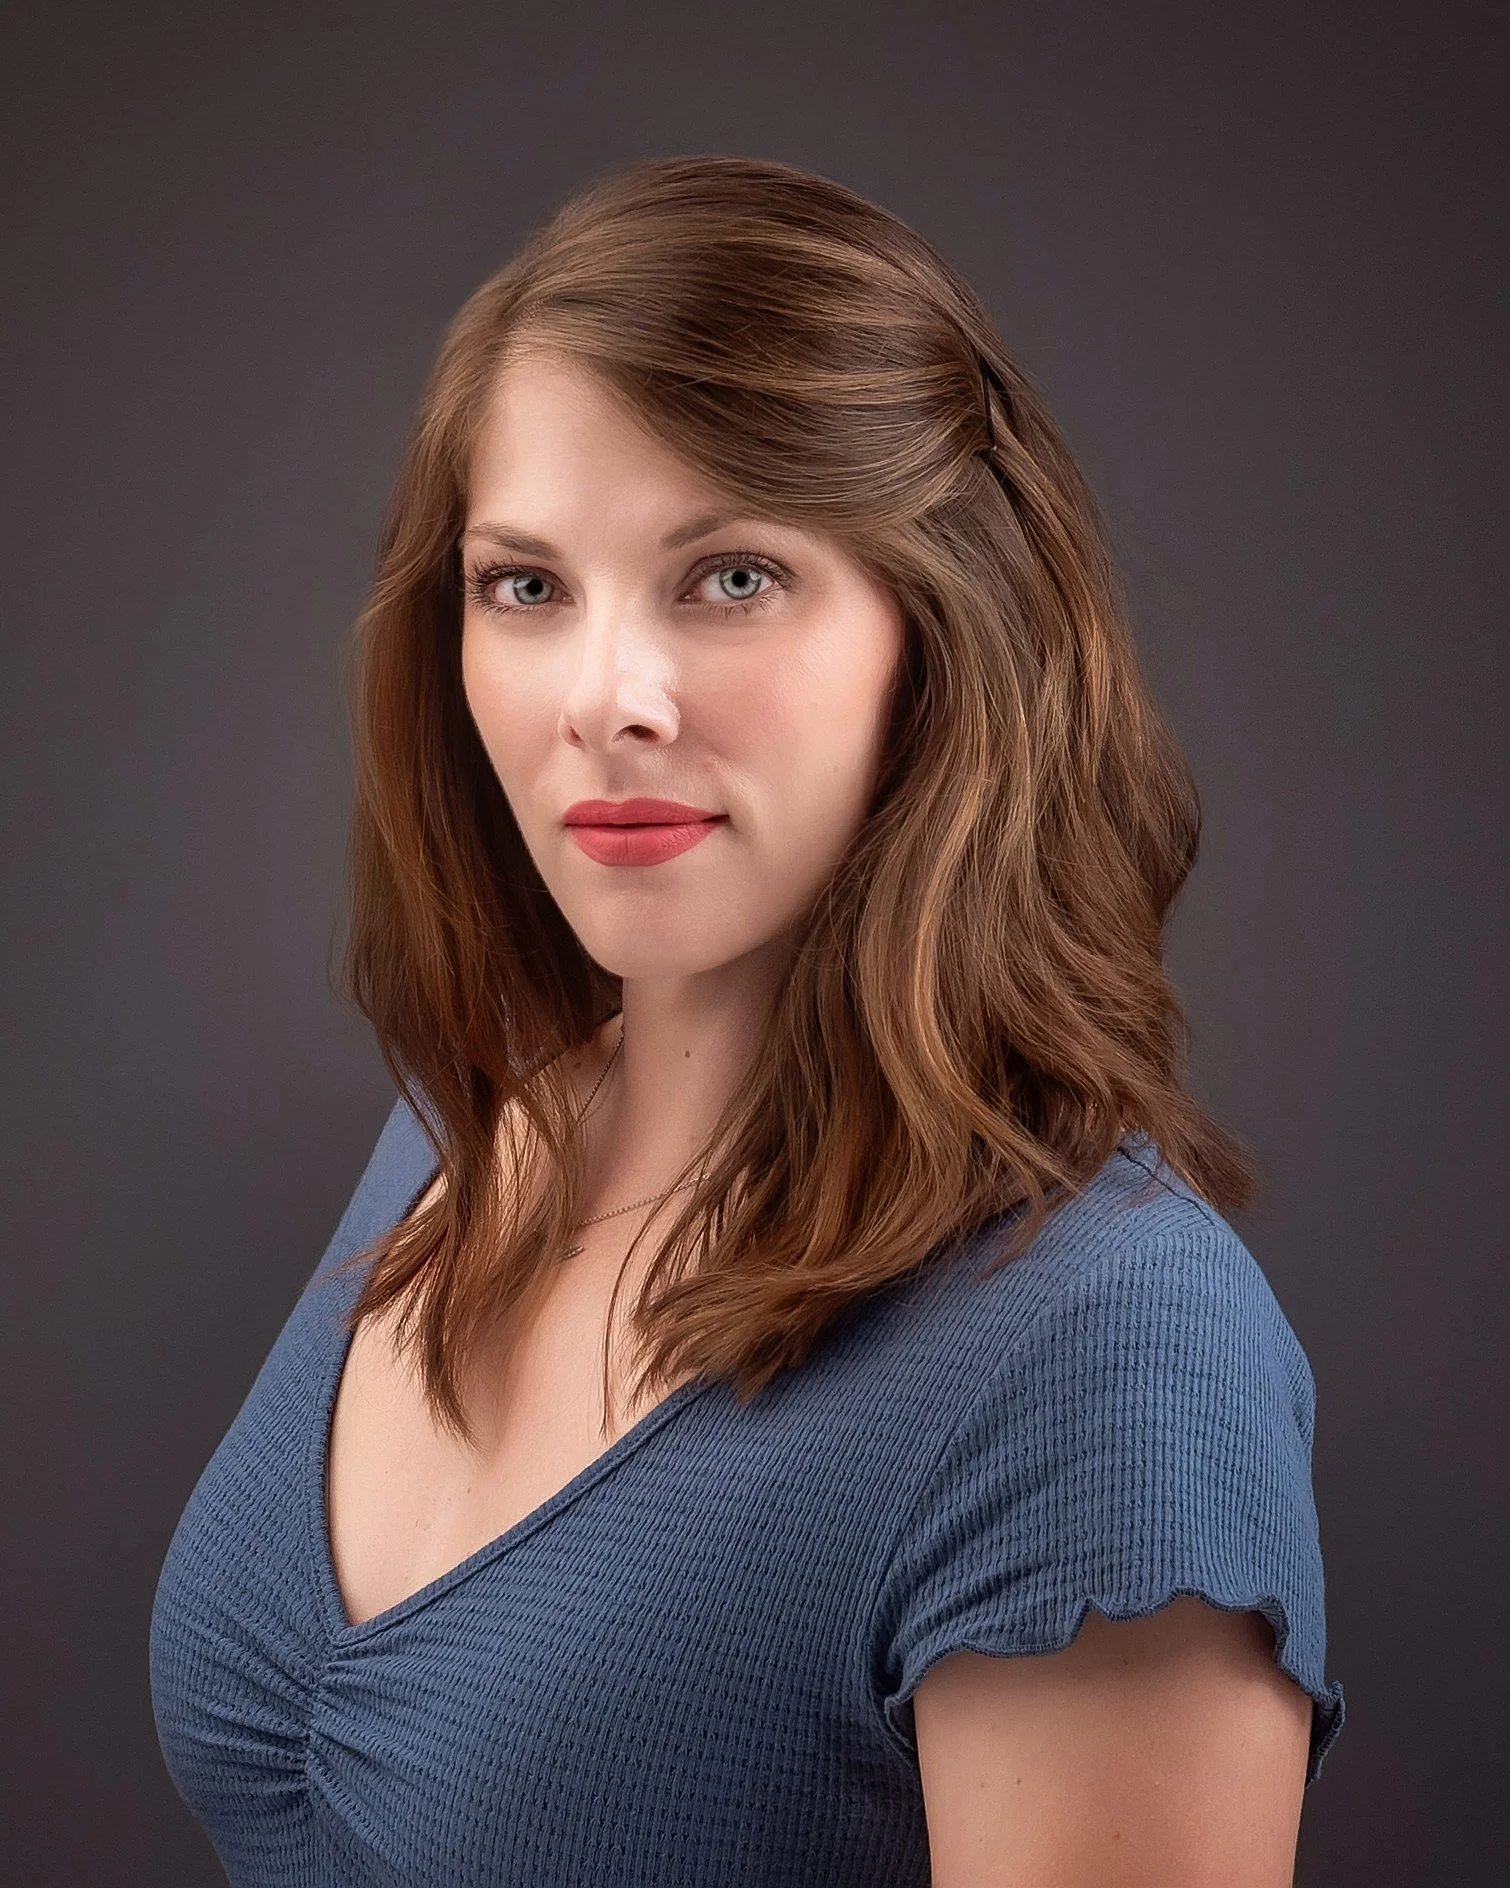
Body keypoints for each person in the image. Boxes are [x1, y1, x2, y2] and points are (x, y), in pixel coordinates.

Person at [149, 154, 1345, 1886]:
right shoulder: (462, 1132)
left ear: (937, 637)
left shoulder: (1104, 1358)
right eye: (526, 586)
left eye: (730, 578)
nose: (604, 702)